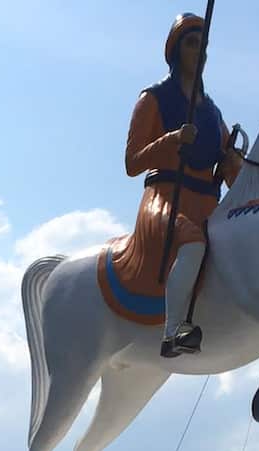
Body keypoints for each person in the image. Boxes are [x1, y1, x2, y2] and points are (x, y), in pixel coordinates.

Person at [103, 12, 244, 358]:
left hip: (207, 202)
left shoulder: (212, 112)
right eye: (193, 43)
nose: (200, 51)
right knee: (193, 242)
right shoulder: (152, 99)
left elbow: (228, 169)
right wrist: (170, 140)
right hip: (164, 198)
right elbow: (132, 163)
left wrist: (234, 165)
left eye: (204, 44)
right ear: (176, 49)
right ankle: (173, 330)